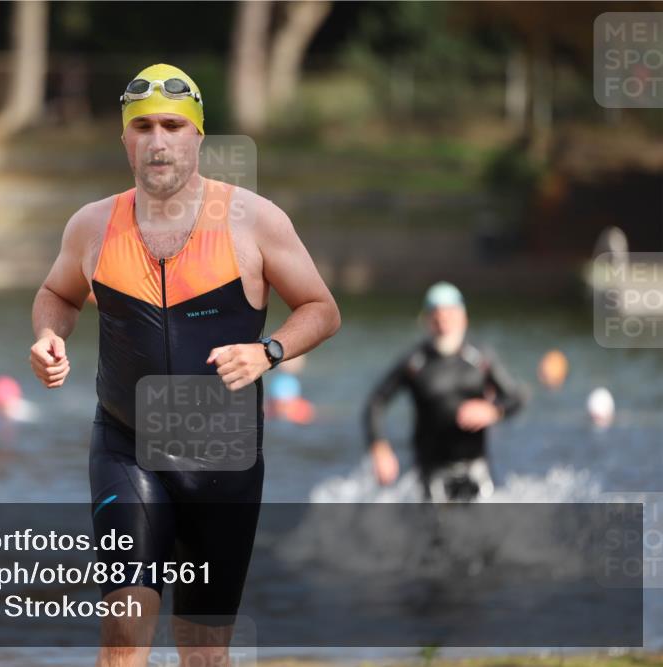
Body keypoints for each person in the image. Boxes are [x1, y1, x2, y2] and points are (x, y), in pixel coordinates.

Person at [29, 64, 340, 666]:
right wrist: (48, 335)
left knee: (202, 652)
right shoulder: (92, 225)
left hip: (223, 459)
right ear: (125, 140)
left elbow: (322, 309)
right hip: (127, 448)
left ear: (198, 136)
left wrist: (268, 351)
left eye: (173, 124)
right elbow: (57, 294)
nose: (158, 139)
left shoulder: (255, 221)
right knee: (123, 634)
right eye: (142, 127)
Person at [363, 282, 525, 502]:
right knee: (438, 534)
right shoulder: (415, 362)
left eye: (450, 313)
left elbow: (516, 396)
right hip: (431, 469)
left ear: (463, 317)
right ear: (427, 320)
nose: (443, 320)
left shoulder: (480, 357)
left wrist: (492, 410)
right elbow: (376, 402)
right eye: (436, 314)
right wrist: (379, 447)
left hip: (476, 466)